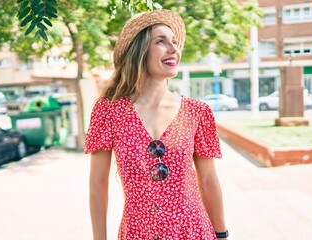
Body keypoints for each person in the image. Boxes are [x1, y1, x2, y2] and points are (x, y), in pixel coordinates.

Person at [85, 9, 228, 240]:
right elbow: (97, 184)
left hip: (192, 232)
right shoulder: (108, 110)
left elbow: (209, 180)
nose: (173, 49)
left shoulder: (197, 112)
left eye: (174, 42)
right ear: (139, 51)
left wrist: (222, 235)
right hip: (137, 233)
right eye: (161, 41)